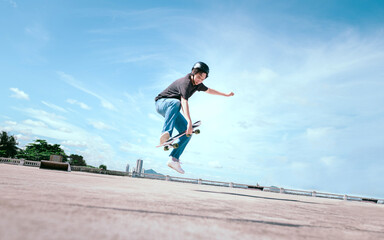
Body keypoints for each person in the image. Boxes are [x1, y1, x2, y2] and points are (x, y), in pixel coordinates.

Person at [155, 62, 234, 174]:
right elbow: (184, 101)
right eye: (198, 77)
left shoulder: (198, 85)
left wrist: (225, 95)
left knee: (188, 132)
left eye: (203, 79)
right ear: (193, 72)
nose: (199, 81)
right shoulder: (185, 82)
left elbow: (210, 90)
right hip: (162, 104)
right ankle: (166, 133)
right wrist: (189, 120)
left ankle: (174, 159)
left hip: (173, 111)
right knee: (176, 103)